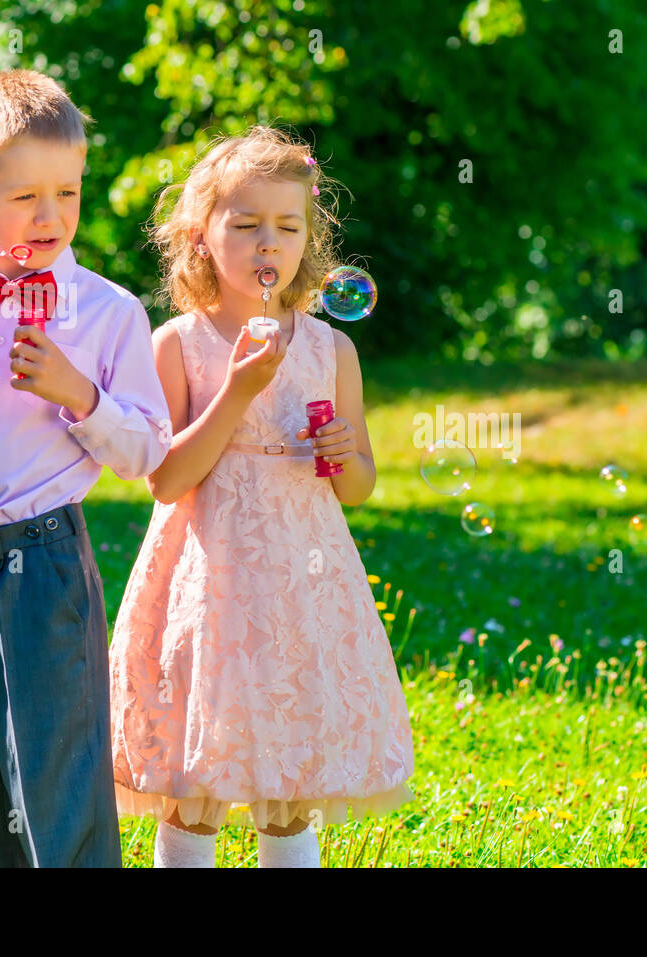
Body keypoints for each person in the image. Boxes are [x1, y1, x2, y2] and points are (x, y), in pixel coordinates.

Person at [0, 69, 173, 866]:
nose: (50, 217)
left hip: (39, 565)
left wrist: (80, 394)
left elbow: (147, 452)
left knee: (57, 778)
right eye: (25, 198)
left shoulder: (110, 313)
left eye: (68, 194)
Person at [109, 126, 415, 868]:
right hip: (206, 584)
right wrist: (239, 390)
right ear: (201, 236)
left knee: (290, 776)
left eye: (286, 226)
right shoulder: (178, 343)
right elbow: (167, 478)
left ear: (308, 240)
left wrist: (347, 456)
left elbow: (361, 486)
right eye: (244, 225)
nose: (266, 243)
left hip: (300, 585)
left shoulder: (330, 349)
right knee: (197, 770)